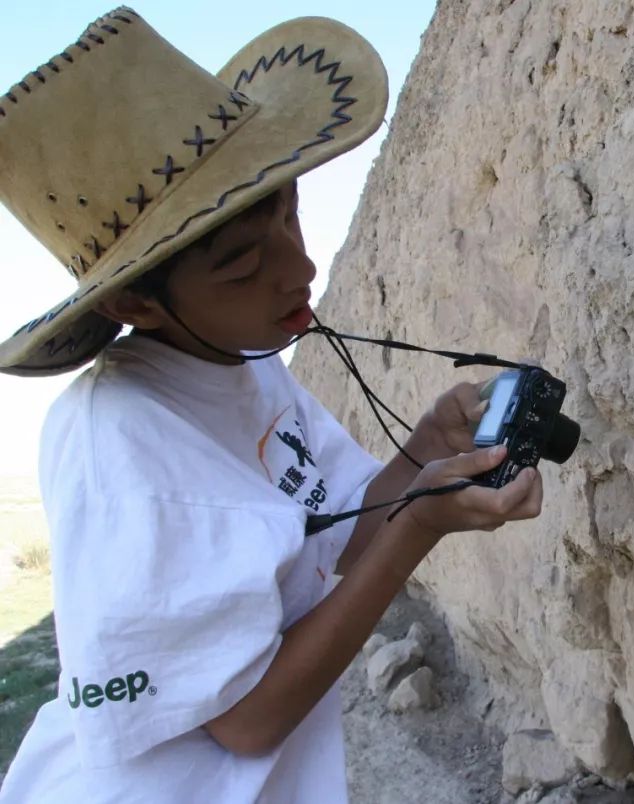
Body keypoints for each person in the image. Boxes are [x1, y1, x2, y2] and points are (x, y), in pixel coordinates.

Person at [0, 8, 543, 802]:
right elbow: (246, 721)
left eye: (289, 211)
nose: (301, 268)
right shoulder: (117, 439)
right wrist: (423, 522)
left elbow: (337, 541)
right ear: (138, 307)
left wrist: (428, 449)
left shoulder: (238, 362)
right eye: (244, 260)